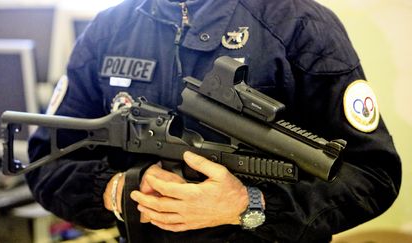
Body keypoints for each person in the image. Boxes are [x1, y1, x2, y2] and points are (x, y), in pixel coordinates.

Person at [25, 0, 402, 242]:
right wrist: (116, 190)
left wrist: (249, 204)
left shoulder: (301, 24)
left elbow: (372, 177)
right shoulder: (108, 28)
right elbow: (46, 160)